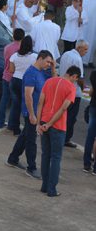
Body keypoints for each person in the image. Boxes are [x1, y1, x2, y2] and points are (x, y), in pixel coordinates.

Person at [5, 50, 54, 178]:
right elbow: (28, 96)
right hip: (31, 112)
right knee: (31, 141)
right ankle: (31, 168)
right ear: (40, 58)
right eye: (48, 62)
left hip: (36, 112)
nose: (49, 64)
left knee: (25, 136)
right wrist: (32, 114)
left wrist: (53, 66)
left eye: (50, 63)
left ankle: (13, 158)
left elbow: (54, 80)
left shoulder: (42, 72)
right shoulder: (31, 73)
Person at [37, 66, 81, 197]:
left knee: (45, 155)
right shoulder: (71, 88)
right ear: (74, 76)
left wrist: (39, 123)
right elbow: (63, 109)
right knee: (56, 157)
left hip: (44, 121)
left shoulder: (49, 81)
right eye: (75, 79)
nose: (75, 81)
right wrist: (50, 124)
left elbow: (40, 103)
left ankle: (44, 186)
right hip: (58, 126)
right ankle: (52, 189)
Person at [59, 40, 88, 148]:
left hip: (62, 88)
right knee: (71, 117)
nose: (86, 52)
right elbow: (80, 78)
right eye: (85, 49)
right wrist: (83, 88)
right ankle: (66, 139)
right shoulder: (77, 59)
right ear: (79, 48)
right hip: (74, 92)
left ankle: (60, 136)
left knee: (62, 114)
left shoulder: (66, 54)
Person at [0, 28, 25, 129]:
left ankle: (0, 122)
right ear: (23, 37)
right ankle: (12, 124)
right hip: (16, 77)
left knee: (4, 99)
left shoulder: (7, 47)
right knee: (15, 102)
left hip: (6, 75)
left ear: (13, 36)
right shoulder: (22, 49)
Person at [7, 35, 36, 135]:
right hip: (26, 82)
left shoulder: (14, 55)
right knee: (27, 106)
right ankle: (28, 129)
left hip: (15, 80)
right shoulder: (34, 57)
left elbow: (11, 70)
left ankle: (14, 127)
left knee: (15, 105)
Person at [82, 69, 96, 174]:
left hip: (94, 106)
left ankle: (86, 164)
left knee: (90, 137)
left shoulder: (94, 74)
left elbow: (91, 92)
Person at [81, 0, 96, 66]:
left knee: (92, 42)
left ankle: (90, 60)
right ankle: (82, 60)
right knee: (83, 40)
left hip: (93, 25)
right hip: (83, 24)